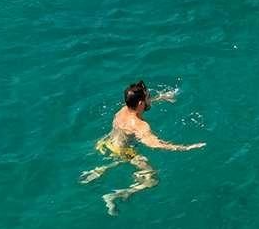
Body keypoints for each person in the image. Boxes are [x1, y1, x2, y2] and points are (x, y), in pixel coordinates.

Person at [80, 80, 204, 215]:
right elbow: (155, 144)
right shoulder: (140, 125)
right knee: (152, 180)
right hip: (124, 152)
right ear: (140, 104)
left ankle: (100, 169)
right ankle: (117, 194)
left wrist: (161, 98)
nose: (150, 100)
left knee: (118, 157)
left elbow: (137, 105)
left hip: (106, 143)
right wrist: (186, 148)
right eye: (148, 98)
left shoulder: (123, 110)